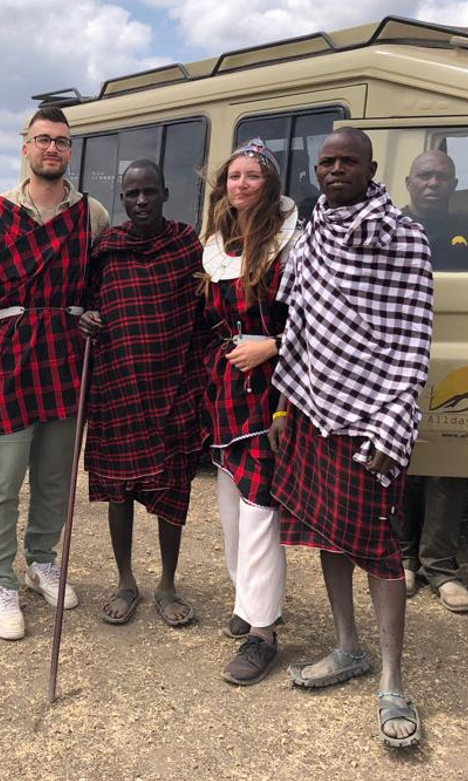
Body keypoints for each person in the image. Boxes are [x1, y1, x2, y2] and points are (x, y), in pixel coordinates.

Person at [268, 129, 433, 748]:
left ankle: (392, 679)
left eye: (348, 161)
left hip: (374, 416)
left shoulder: (404, 238)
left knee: (381, 548)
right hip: (312, 408)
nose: (336, 170)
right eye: (327, 162)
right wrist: (285, 407)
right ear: (317, 170)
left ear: (370, 168)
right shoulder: (311, 234)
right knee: (327, 531)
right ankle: (348, 647)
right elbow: (301, 329)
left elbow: (414, 340)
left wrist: (393, 420)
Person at [0, 106, 109, 640]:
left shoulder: (92, 214)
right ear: (25, 147)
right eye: (43, 139)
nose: (52, 149)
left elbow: (102, 281)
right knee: (3, 480)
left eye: (61, 141)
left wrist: (96, 313)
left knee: (55, 475)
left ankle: (41, 561)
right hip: (10, 354)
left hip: (66, 352)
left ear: (70, 150)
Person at [79, 160, 205, 629]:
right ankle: (125, 580)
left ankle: (167, 583)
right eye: (132, 194)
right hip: (117, 386)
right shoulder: (107, 250)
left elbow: (203, 311)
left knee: (172, 488)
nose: (141, 201)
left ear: (165, 194)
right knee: (119, 488)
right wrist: (86, 318)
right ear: (122, 200)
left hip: (173, 385)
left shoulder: (185, 245)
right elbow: (87, 303)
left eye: (149, 192)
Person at [199, 139, 298, 685]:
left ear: (270, 184)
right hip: (227, 385)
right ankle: (248, 596)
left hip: (272, 387)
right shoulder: (219, 244)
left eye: (252, 176)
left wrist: (272, 345)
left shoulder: (291, 244)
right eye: (234, 176)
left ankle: (263, 630)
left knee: (259, 506)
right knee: (231, 503)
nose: (240, 184)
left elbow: (315, 317)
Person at [400, 149, 468, 613]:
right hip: (400, 356)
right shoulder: (390, 227)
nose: (433, 183)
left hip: (456, 352)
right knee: (401, 459)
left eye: (442, 176)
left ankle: (440, 567)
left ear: (454, 184)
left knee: (449, 462)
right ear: (408, 182)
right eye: (424, 176)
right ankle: (402, 558)